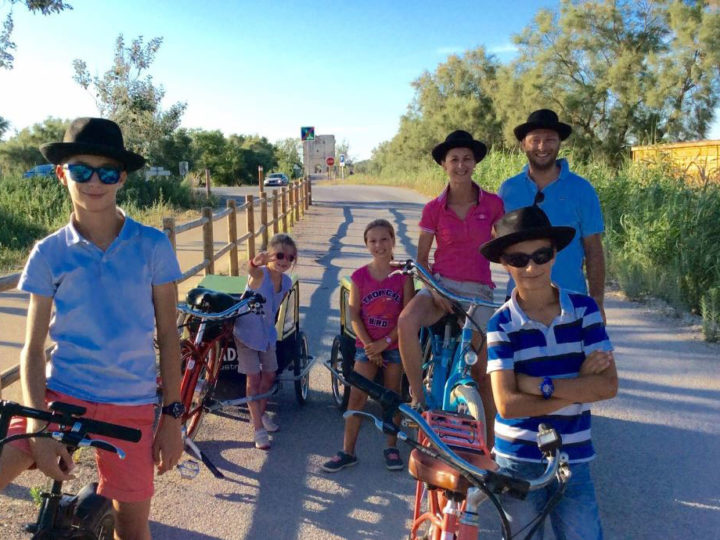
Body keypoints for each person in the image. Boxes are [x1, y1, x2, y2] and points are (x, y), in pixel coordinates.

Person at [0, 117, 184, 540]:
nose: (94, 181)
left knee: (132, 527)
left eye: (107, 172)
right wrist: (37, 430)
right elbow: (31, 349)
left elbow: (169, 335)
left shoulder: (152, 245)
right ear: (62, 174)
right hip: (63, 396)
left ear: (122, 178)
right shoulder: (49, 253)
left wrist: (172, 417)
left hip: (131, 402)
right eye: (82, 170)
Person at [480, 206, 618, 540]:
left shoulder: (584, 310)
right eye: (518, 259)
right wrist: (578, 385)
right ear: (504, 263)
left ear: (555, 255)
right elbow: (508, 405)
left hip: (574, 456)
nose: (531, 267)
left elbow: (608, 386)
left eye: (541, 255)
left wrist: (536, 385)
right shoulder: (500, 324)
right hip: (518, 459)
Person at [397, 130, 504, 444]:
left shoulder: (494, 204)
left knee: (482, 365)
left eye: (467, 159)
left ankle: (492, 443)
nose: (461, 165)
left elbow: (506, 246)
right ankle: (418, 396)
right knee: (406, 321)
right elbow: (421, 260)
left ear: (474, 163)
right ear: (443, 164)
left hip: (479, 291)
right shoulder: (433, 208)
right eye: (454, 159)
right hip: (439, 286)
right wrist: (437, 291)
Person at [322, 219, 415, 473]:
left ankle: (391, 446)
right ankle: (347, 451)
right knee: (357, 396)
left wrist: (385, 343)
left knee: (392, 395)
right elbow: (354, 314)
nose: (379, 245)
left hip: (393, 343)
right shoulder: (360, 276)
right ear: (366, 244)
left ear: (393, 240)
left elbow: (407, 315)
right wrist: (370, 346)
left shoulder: (404, 277)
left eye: (384, 239)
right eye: (373, 241)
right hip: (367, 345)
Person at [498, 109, 606, 319]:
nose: (542, 147)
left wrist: (597, 302)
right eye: (535, 140)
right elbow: (498, 243)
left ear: (559, 143)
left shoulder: (581, 189)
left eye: (550, 140)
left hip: (571, 302)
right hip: (520, 304)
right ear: (523, 145)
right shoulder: (509, 190)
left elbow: (594, 249)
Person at [233, 233, 296, 450]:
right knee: (254, 377)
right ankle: (258, 428)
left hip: (267, 334)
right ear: (268, 255)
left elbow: (274, 309)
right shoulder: (260, 275)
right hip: (247, 333)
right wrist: (253, 263)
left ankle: (259, 414)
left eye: (290, 257)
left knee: (270, 374)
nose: (284, 261)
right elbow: (252, 273)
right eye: (279, 255)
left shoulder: (286, 282)